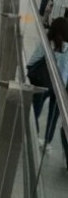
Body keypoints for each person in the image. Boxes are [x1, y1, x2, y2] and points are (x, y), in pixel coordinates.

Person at [27, 17, 68, 152]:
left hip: (43, 81)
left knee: (35, 110)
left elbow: (33, 60)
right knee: (54, 115)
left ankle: (34, 134)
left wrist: (30, 69)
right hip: (61, 86)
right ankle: (47, 143)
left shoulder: (46, 43)